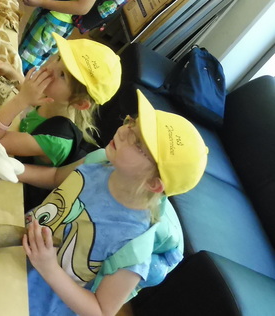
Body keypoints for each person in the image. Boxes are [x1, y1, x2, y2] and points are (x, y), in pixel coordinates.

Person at [20, 89, 208, 316]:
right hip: (20, 246)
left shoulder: (133, 245)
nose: (122, 131)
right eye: (131, 122)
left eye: (137, 142)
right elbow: (55, 177)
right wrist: (13, 168)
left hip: (36, 300)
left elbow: (101, 310)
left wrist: (49, 268)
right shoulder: (100, 161)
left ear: (154, 183)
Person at [0, 34, 121, 169]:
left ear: (79, 103)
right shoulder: (57, 100)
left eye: (62, 75)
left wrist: (21, 100)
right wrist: (11, 73)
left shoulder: (55, 141)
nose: (49, 69)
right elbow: (36, 97)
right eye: (59, 59)